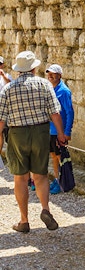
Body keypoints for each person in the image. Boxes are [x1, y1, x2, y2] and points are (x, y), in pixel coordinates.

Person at [0, 51, 66, 232]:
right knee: (41, 175)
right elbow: (55, 112)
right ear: (34, 68)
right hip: (40, 132)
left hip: (17, 134)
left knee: (20, 178)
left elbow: (1, 119)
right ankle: (45, 209)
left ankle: (24, 221)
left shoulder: (8, 89)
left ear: (19, 70)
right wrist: (60, 134)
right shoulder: (45, 84)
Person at [45, 63, 74, 194]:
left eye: (53, 73)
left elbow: (70, 112)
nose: (50, 76)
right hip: (50, 130)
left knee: (59, 157)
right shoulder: (50, 88)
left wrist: (67, 132)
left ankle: (62, 182)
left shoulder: (64, 91)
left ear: (60, 75)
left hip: (59, 131)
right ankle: (57, 180)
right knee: (53, 156)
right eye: (49, 73)